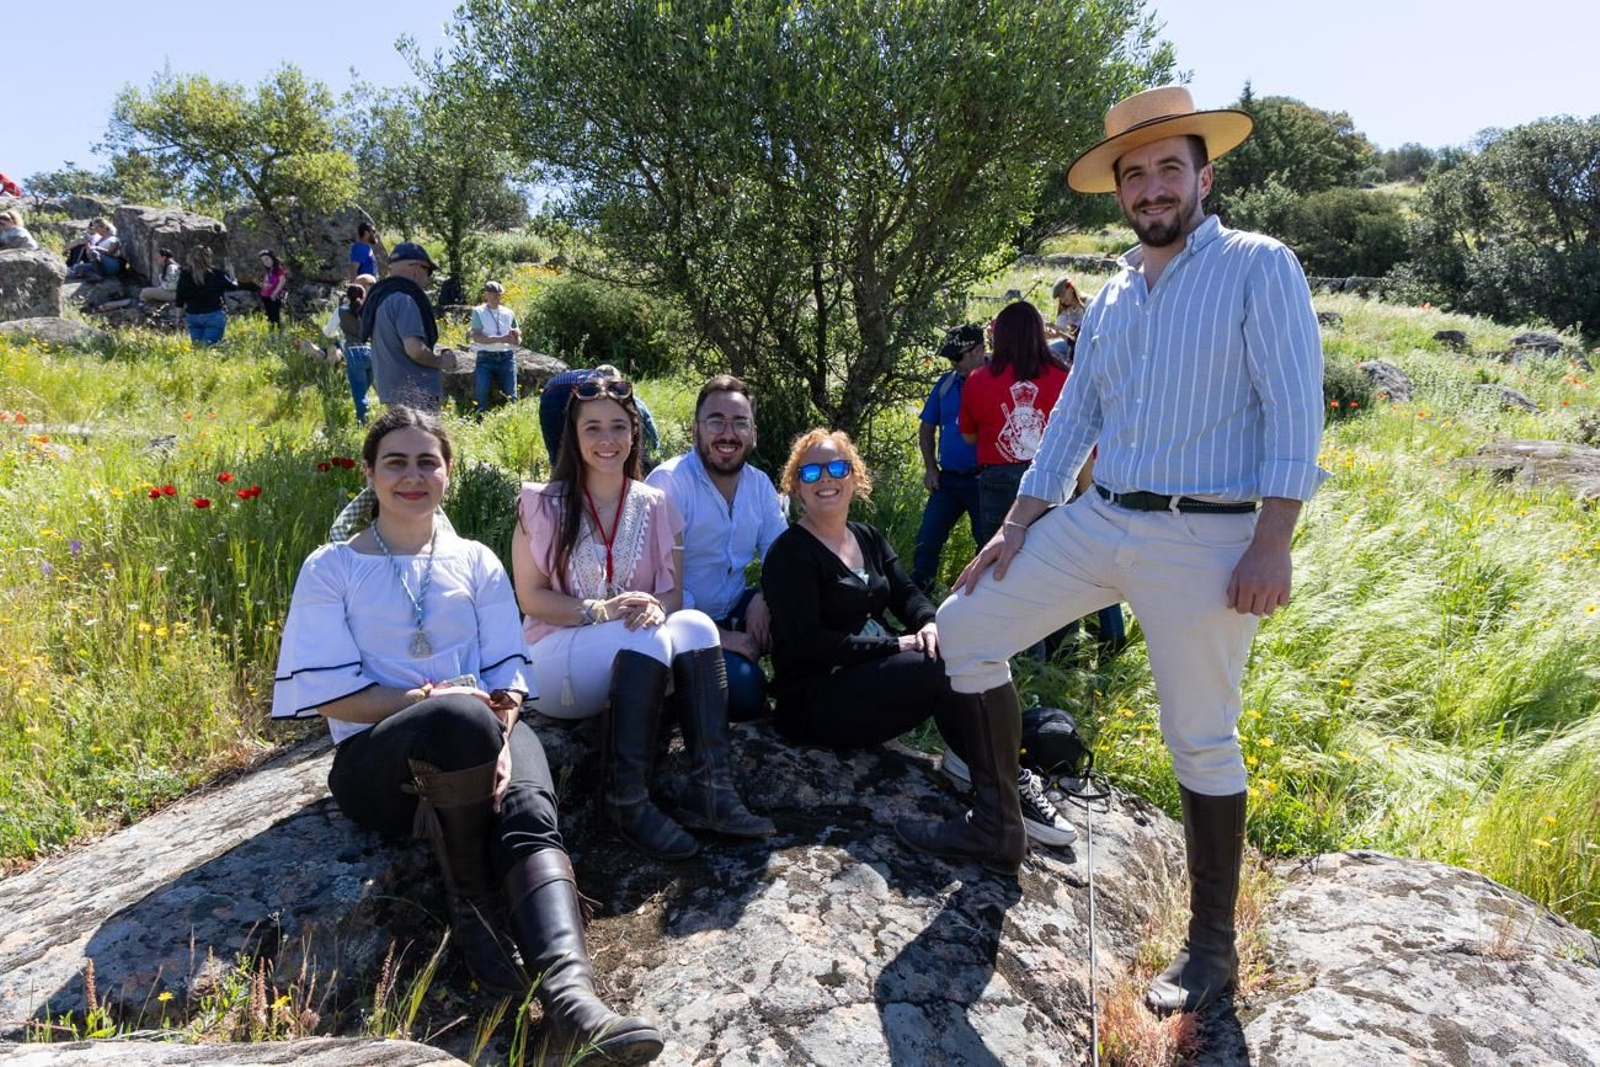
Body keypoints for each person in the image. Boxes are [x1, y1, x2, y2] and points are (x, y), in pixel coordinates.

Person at [896, 86, 1326, 1018]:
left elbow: (1296, 407)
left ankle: (1211, 946)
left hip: (1208, 533)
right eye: (1135, 174)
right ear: (1120, 190)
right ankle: (998, 823)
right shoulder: (1116, 294)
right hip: (1098, 516)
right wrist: (1016, 524)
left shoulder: (1258, 266)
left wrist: (1274, 540)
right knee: (964, 629)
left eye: (1171, 167)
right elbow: (1073, 419)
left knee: (1200, 734)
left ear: (1204, 178)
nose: (1152, 187)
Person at [272, 407, 663, 1063]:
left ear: (448, 473)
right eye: (396, 462)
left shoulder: (475, 560)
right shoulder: (332, 566)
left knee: (528, 807)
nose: (413, 475)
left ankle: (574, 1005)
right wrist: (436, 703)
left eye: (428, 461)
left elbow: (508, 674)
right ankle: (475, 917)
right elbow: (331, 694)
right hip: (381, 760)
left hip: (485, 729)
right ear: (368, 473)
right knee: (455, 719)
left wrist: (496, 737)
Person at [761, 429, 1077, 847]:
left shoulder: (867, 537)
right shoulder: (788, 554)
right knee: (935, 665)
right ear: (796, 485)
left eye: (837, 467)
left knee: (956, 646)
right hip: (814, 701)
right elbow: (808, 644)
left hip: (865, 682)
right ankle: (1000, 788)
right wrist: (898, 645)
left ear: (854, 477)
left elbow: (907, 594)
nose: (825, 479)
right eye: (811, 472)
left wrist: (929, 623)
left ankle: (986, 768)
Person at [512, 372, 773, 860]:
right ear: (574, 435)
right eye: (592, 428)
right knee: (645, 634)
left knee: (693, 624)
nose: (607, 440)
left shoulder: (656, 504)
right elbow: (530, 598)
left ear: (634, 434)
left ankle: (711, 789)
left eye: (618, 427)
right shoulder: (542, 503)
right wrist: (600, 610)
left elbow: (671, 594)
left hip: (634, 654)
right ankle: (625, 802)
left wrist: (657, 606)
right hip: (556, 659)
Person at [644, 375, 788, 722]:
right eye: (716, 421)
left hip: (735, 604)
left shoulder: (759, 485)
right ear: (695, 429)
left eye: (740, 423)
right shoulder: (669, 483)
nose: (728, 434)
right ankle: (677, 681)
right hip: (677, 620)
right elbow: (653, 583)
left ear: (753, 433)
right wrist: (722, 637)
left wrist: (765, 595)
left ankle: (804, 694)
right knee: (746, 693)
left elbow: (784, 558)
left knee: (804, 610)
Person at [960, 301, 1071, 546]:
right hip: (1052, 475)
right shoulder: (1063, 377)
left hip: (998, 477)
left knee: (996, 553)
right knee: (1053, 554)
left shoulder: (977, 380)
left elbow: (969, 436)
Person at [910, 325, 985, 592]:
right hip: (948, 480)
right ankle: (919, 594)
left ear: (979, 350)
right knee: (927, 539)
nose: (954, 363)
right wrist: (931, 468)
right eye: (950, 358)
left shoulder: (999, 381)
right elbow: (927, 428)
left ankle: (982, 598)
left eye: (958, 356)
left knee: (987, 543)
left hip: (985, 480)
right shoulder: (946, 384)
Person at [360, 242, 457, 412]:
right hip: (417, 394)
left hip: (394, 394)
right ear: (416, 269)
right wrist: (442, 361)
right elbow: (415, 350)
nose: (427, 278)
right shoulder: (405, 300)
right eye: (428, 271)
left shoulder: (381, 298)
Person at [539, 365, 661, 470]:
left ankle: (560, 480)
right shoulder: (619, 394)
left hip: (550, 392)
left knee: (559, 455)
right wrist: (654, 447)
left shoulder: (594, 381)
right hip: (565, 391)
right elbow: (645, 426)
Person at [470, 280, 522, 416]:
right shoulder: (479, 311)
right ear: (486, 294)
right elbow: (477, 337)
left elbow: (517, 339)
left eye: (499, 295)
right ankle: (480, 419)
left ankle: (512, 419)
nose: (497, 297)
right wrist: (500, 339)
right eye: (494, 294)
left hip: (507, 356)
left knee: (511, 394)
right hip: (485, 357)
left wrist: (515, 337)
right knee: (481, 393)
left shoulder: (508, 312)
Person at [174, 245, 240, 347]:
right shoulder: (216, 273)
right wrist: (233, 276)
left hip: (193, 316)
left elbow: (179, 298)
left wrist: (178, 318)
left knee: (197, 348)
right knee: (209, 348)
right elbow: (233, 287)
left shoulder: (184, 275)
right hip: (213, 314)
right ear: (208, 257)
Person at [336, 283, 375, 424]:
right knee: (363, 391)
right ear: (363, 296)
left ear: (347, 296)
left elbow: (328, 331)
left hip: (353, 353)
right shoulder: (369, 311)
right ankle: (368, 419)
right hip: (372, 353)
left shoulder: (341, 311)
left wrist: (339, 338)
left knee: (359, 395)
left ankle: (363, 424)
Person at [258, 250, 289, 330]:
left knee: (275, 317)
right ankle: (272, 333)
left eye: (267, 259)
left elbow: (282, 281)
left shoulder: (278, 269)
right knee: (269, 317)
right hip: (266, 296)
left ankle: (277, 333)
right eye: (263, 261)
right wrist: (263, 285)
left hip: (274, 296)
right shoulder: (268, 270)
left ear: (272, 258)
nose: (266, 262)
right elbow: (266, 282)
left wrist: (275, 293)